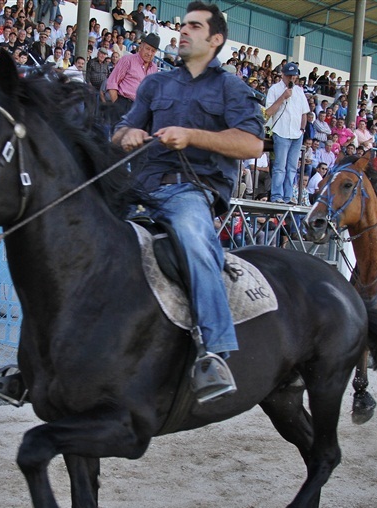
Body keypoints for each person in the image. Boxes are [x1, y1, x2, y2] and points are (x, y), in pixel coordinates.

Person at [112, 1, 264, 403]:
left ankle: (214, 353)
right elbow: (121, 129)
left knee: (197, 244)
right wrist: (126, 134)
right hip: (138, 187)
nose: (182, 31)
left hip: (190, 190)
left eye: (194, 26)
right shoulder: (155, 84)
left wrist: (192, 136)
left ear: (215, 40)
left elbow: (251, 144)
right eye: (182, 25)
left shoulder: (231, 88)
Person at [265, 62, 309, 204]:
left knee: (292, 168)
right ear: (282, 75)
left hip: (297, 134)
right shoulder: (274, 89)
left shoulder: (300, 91)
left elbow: (304, 113)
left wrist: (302, 129)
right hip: (281, 131)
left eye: (294, 76)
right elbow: (268, 112)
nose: (292, 79)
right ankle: (277, 196)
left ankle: (288, 197)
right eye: (289, 76)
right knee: (280, 166)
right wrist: (283, 97)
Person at [105, 32, 159, 120]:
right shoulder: (127, 60)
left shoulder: (154, 68)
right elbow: (112, 83)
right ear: (141, 47)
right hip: (125, 105)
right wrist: (118, 106)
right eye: (147, 49)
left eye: (153, 51)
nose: (149, 53)